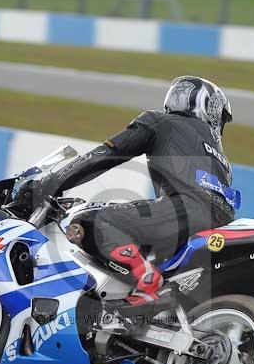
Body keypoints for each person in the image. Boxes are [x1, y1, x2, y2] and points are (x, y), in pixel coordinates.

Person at [36, 76, 238, 307]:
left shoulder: (161, 122)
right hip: (221, 224)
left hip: (186, 210)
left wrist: (54, 181)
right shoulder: (222, 161)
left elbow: (104, 156)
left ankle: (146, 279)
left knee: (93, 221)